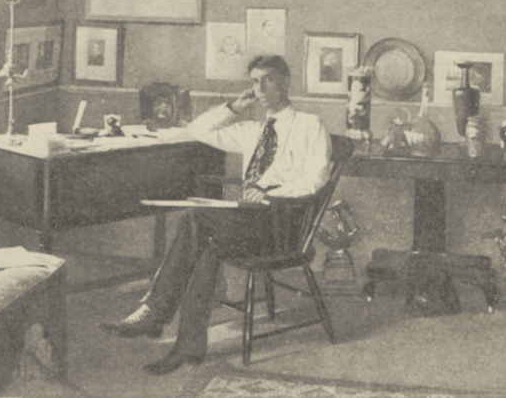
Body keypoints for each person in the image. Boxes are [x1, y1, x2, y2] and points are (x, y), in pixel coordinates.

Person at [97, 55, 332, 375]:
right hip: (247, 223)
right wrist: (234, 106)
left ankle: (154, 313)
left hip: (281, 227)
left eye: (269, 79)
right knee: (209, 248)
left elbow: (317, 179)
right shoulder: (252, 129)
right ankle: (186, 347)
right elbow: (198, 129)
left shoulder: (310, 125)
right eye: (254, 81)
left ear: (287, 81)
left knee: (196, 219)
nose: (260, 88)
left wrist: (271, 193)